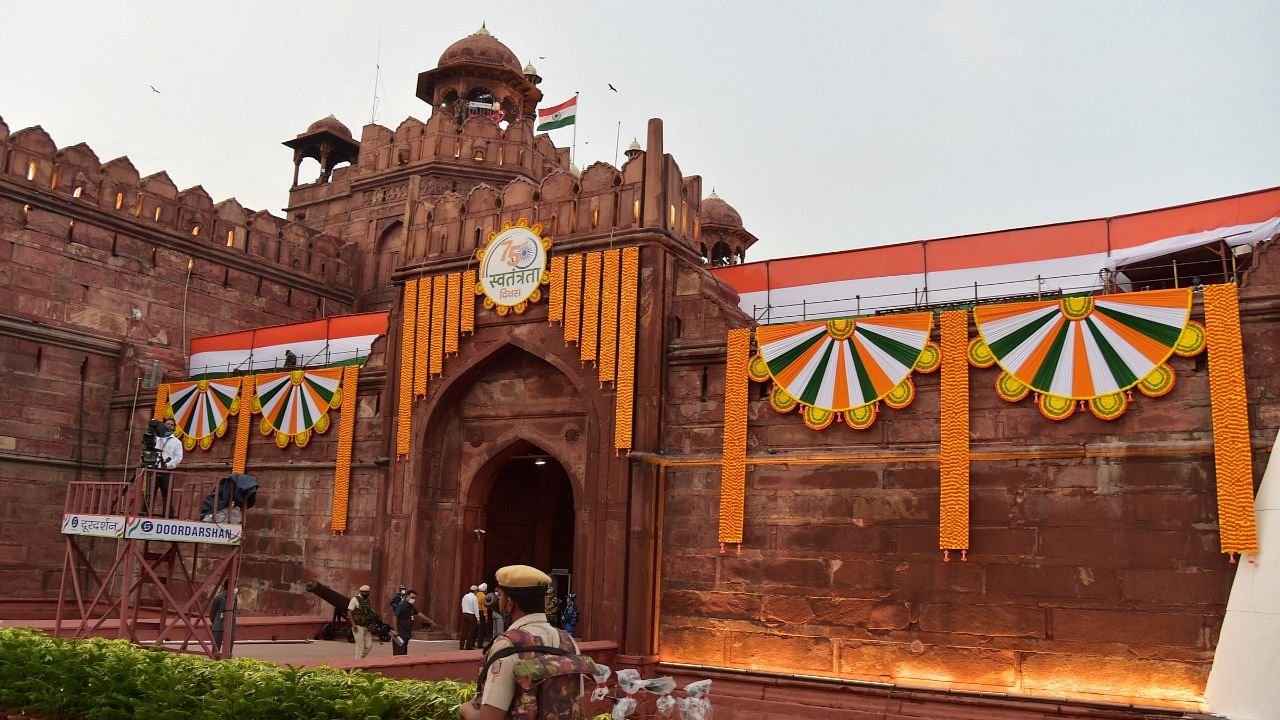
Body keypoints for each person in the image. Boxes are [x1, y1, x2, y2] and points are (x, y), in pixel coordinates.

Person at [461, 565, 593, 720]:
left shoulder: (509, 644)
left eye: (501, 596)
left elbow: (489, 718)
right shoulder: (568, 642)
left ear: (509, 603)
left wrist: (465, 709)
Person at [148, 417, 183, 516]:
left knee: (167, 495)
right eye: (168, 424)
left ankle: (168, 516)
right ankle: (146, 514)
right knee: (149, 494)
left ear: (174, 428)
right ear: (163, 425)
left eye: (172, 425)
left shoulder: (177, 442)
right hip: (154, 468)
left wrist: (168, 465)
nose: (170, 426)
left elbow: (178, 458)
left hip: (167, 471)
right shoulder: (157, 438)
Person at [348, 584, 376, 659]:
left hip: (366, 626)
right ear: (360, 592)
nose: (365, 594)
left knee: (369, 645)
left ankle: (358, 659)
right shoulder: (355, 600)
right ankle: (357, 663)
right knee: (360, 646)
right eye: (363, 592)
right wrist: (353, 625)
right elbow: (349, 612)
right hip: (358, 626)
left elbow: (370, 612)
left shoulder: (368, 600)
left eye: (366, 592)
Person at [209, 582, 237, 653]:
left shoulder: (234, 598)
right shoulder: (218, 598)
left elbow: (234, 612)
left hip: (230, 626)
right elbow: (212, 613)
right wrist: (216, 622)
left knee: (228, 651)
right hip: (219, 626)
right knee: (216, 650)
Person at [392, 589, 418, 656]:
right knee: (398, 653)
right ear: (407, 596)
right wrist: (395, 630)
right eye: (412, 597)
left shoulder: (410, 606)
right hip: (399, 634)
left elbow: (418, 613)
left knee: (403, 653)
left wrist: (430, 621)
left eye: (415, 598)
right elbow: (395, 616)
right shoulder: (402, 605)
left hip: (406, 633)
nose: (413, 599)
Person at [460, 584, 480, 650]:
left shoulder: (465, 596)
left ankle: (461, 645)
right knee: (470, 631)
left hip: (464, 614)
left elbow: (462, 604)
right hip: (471, 615)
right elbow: (476, 608)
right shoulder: (474, 598)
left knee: (463, 631)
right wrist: (478, 618)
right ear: (475, 591)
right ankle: (468, 646)